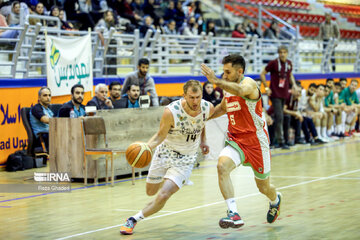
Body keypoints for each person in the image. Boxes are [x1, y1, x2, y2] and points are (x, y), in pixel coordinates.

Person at [120, 80, 214, 235]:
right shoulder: (171, 111)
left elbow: (201, 122)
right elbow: (159, 136)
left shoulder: (207, 107)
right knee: (150, 192)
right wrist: (145, 148)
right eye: (191, 97)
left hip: (185, 159)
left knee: (163, 194)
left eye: (198, 97)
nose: (195, 101)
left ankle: (133, 219)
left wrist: (203, 140)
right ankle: (170, 177)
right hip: (165, 152)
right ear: (184, 95)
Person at [201, 54, 281, 228]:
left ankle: (275, 200)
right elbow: (223, 107)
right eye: (223, 72)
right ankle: (233, 213)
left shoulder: (249, 84)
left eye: (228, 72)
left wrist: (215, 80)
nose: (224, 75)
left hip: (256, 143)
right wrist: (202, 119)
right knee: (222, 167)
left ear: (240, 71)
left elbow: (240, 91)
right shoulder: (227, 88)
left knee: (263, 187)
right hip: (236, 140)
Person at [260, 45, 298, 149]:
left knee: (282, 117)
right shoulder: (273, 63)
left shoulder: (289, 63)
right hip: (275, 93)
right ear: (278, 53)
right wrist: (267, 88)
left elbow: (290, 75)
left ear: (287, 53)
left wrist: (294, 84)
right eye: (280, 52)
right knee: (280, 117)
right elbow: (262, 74)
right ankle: (281, 141)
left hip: (284, 93)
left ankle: (280, 140)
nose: (282, 54)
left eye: (284, 52)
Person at [29, 87, 54, 152]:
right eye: (45, 95)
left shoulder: (48, 110)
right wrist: (60, 121)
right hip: (42, 139)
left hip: (50, 136)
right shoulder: (36, 108)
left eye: (49, 95)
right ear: (39, 98)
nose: (48, 98)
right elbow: (46, 120)